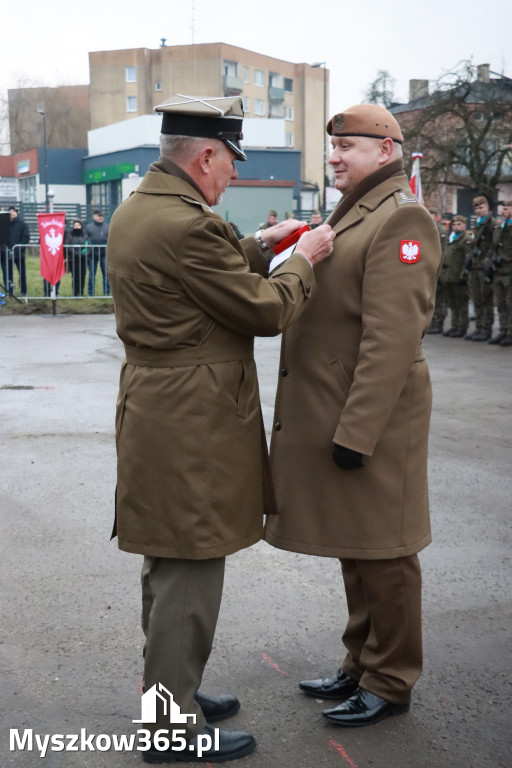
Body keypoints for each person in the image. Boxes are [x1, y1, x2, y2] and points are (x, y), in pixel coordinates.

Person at [107, 94, 335, 763]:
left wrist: (260, 243)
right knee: (190, 567)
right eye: (230, 161)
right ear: (204, 156)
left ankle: (169, 690)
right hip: (191, 421)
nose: (233, 173)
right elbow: (263, 311)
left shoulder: (143, 209)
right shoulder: (185, 226)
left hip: (162, 410)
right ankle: (169, 727)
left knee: (168, 560)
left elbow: (198, 275)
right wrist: (305, 258)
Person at [264, 104, 442, 727]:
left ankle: (391, 679)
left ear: (386, 152)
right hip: (343, 413)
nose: (335, 155)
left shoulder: (402, 218)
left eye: (350, 146)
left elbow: (390, 342)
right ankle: (360, 662)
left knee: (386, 554)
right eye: (333, 146)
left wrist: (357, 433)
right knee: (356, 546)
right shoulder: (354, 211)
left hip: (374, 419)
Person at [465, 196, 496, 341]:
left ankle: (486, 329)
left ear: (487, 207)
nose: (478, 211)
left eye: (481, 207)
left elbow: (493, 246)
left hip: (484, 266)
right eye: (476, 208)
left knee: (485, 300)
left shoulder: (492, 224)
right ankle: (478, 328)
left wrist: (487, 262)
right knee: (476, 299)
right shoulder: (477, 224)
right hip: (475, 266)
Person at [440, 215, 469, 337]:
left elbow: (467, 259)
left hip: (458, 276)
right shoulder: (449, 238)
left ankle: (462, 327)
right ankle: (454, 325)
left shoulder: (465, 239)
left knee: (461, 303)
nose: (456, 227)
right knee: (452, 303)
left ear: (464, 226)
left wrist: (464, 274)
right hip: (448, 276)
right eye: (454, 224)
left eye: (459, 224)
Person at [490, 200, 512, 346]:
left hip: (509, 270)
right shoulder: (500, 227)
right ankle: (503, 330)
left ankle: (510, 333)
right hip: (499, 271)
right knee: (501, 303)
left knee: (510, 304)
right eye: (502, 208)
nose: (503, 211)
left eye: (506, 208)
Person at [426, 209, 448, 334]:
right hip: (429, 267)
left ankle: (438, 322)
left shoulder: (441, 230)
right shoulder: (427, 228)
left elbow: (443, 250)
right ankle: (432, 322)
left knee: (439, 299)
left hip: (438, 267)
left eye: (431, 215)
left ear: (438, 218)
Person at [85, 210, 110, 296]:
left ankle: (107, 292)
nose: (100, 217)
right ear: (94, 216)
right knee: (92, 275)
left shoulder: (107, 227)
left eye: (102, 216)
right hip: (92, 255)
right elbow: (85, 240)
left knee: (106, 274)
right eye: (99, 216)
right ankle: (90, 293)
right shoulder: (88, 227)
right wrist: (87, 251)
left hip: (104, 254)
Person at [9, 206, 30, 296]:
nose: (12, 213)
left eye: (13, 211)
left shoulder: (23, 224)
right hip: (7, 253)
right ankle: (10, 291)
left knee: (22, 274)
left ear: (17, 213)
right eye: (10, 211)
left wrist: (19, 248)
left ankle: (23, 291)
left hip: (19, 254)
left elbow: (26, 237)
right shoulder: (5, 224)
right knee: (8, 274)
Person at [65, 220, 88, 297]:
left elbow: (88, 245)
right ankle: (75, 293)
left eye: (78, 225)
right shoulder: (70, 235)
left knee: (82, 276)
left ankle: (81, 292)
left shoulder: (85, 235)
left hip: (83, 259)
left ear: (81, 226)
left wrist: (84, 253)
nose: (76, 227)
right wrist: (76, 253)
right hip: (74, 259)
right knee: (75, 277)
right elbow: (68, 245)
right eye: (75, 225)